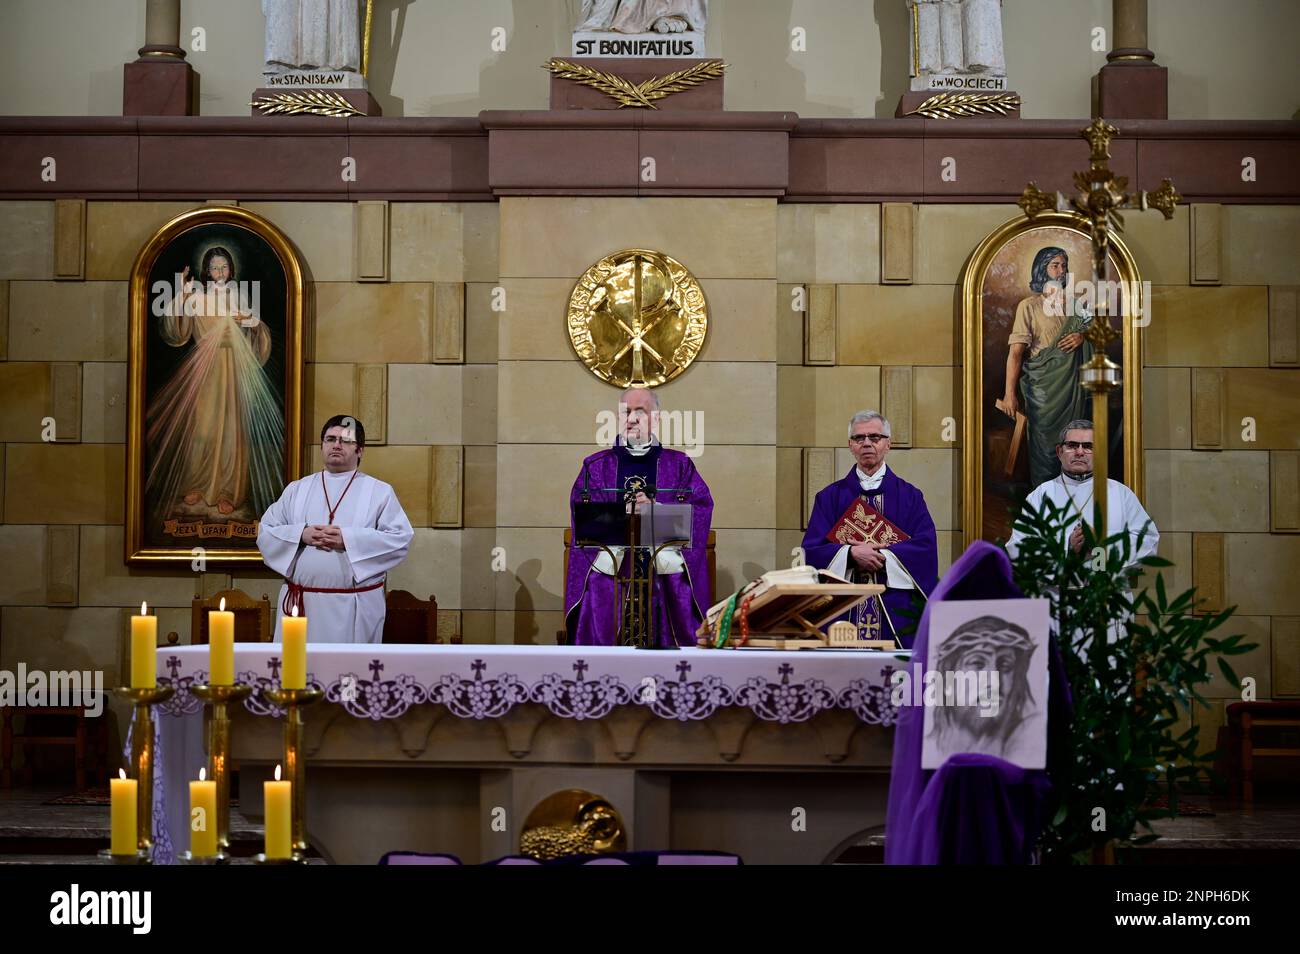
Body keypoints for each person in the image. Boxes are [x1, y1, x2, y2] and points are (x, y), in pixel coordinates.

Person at [563, 387, 712, 647]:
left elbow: (699, 508)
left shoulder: (679, 465)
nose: (631, 418)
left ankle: (676, 663)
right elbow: (584, 515)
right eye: (626, 412)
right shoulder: (596, 466)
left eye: (640, 412)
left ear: (657, 418)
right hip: (613, 558)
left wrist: (657, 509)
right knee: (599, 581)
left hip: (661, 556)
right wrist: (624, 514)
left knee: (674, 578)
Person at [146, 245, 281, 525]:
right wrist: (181, 290)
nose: (219, 272)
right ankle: (196, 484)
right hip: (204, 369)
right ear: (206, 271)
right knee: (203, 427)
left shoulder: (238, 294)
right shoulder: (198, 296)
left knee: (231, 428)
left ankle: (227, 491)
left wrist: (252, 322)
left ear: (231, 269)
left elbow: (255, 327)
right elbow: (175, 327)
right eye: (214, 267)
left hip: (232, 366)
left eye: (224, 267)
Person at [257, 415, 413, 643]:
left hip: (353, 606)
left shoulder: (379, 491)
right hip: (301, 605)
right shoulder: (297, 489)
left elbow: (400, 539)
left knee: (349, 674)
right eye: (330, 439)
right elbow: (266, 530)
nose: (336, 445)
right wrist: (301, 534)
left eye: (345, 440)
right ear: (322, 446)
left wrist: (348, 539)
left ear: (360, 450)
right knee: (298, 673)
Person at [800, 411, 938, 647]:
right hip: (843, 611)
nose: (866, 444)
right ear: (850, 446)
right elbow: (811, 551)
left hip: (894, 609)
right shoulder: (829, 497)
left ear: (888, 444)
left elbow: (926, 548)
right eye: (859, 438)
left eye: (875, 437)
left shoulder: (910, 496)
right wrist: (850, 554)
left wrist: (883, 556)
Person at [999, 246, 1095, 488]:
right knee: (1043, 450)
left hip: (1071, 388)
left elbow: (1097, 335)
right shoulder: (1028, 306)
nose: (1060, 270)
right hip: (1043, 390)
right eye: (1055, 265)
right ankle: (1045, 504)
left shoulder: (1076, 304)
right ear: (1042, 270)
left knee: (1075, 445)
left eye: (1064, 265)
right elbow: (1016, 353)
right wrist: (1009, 394)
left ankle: (1074, 505)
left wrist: (1084, 337)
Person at [1005, 420, 1158, 568]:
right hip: (1058, 591)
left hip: (1107, 591)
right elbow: (1017, 548)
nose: (1079, 452)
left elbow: (1149, 542)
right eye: (1072, 445)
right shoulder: (1040, 495)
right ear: (1059, 451)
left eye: (1088, 446)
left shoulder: (1120, 493)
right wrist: (1066, 547)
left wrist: (1103, 541)